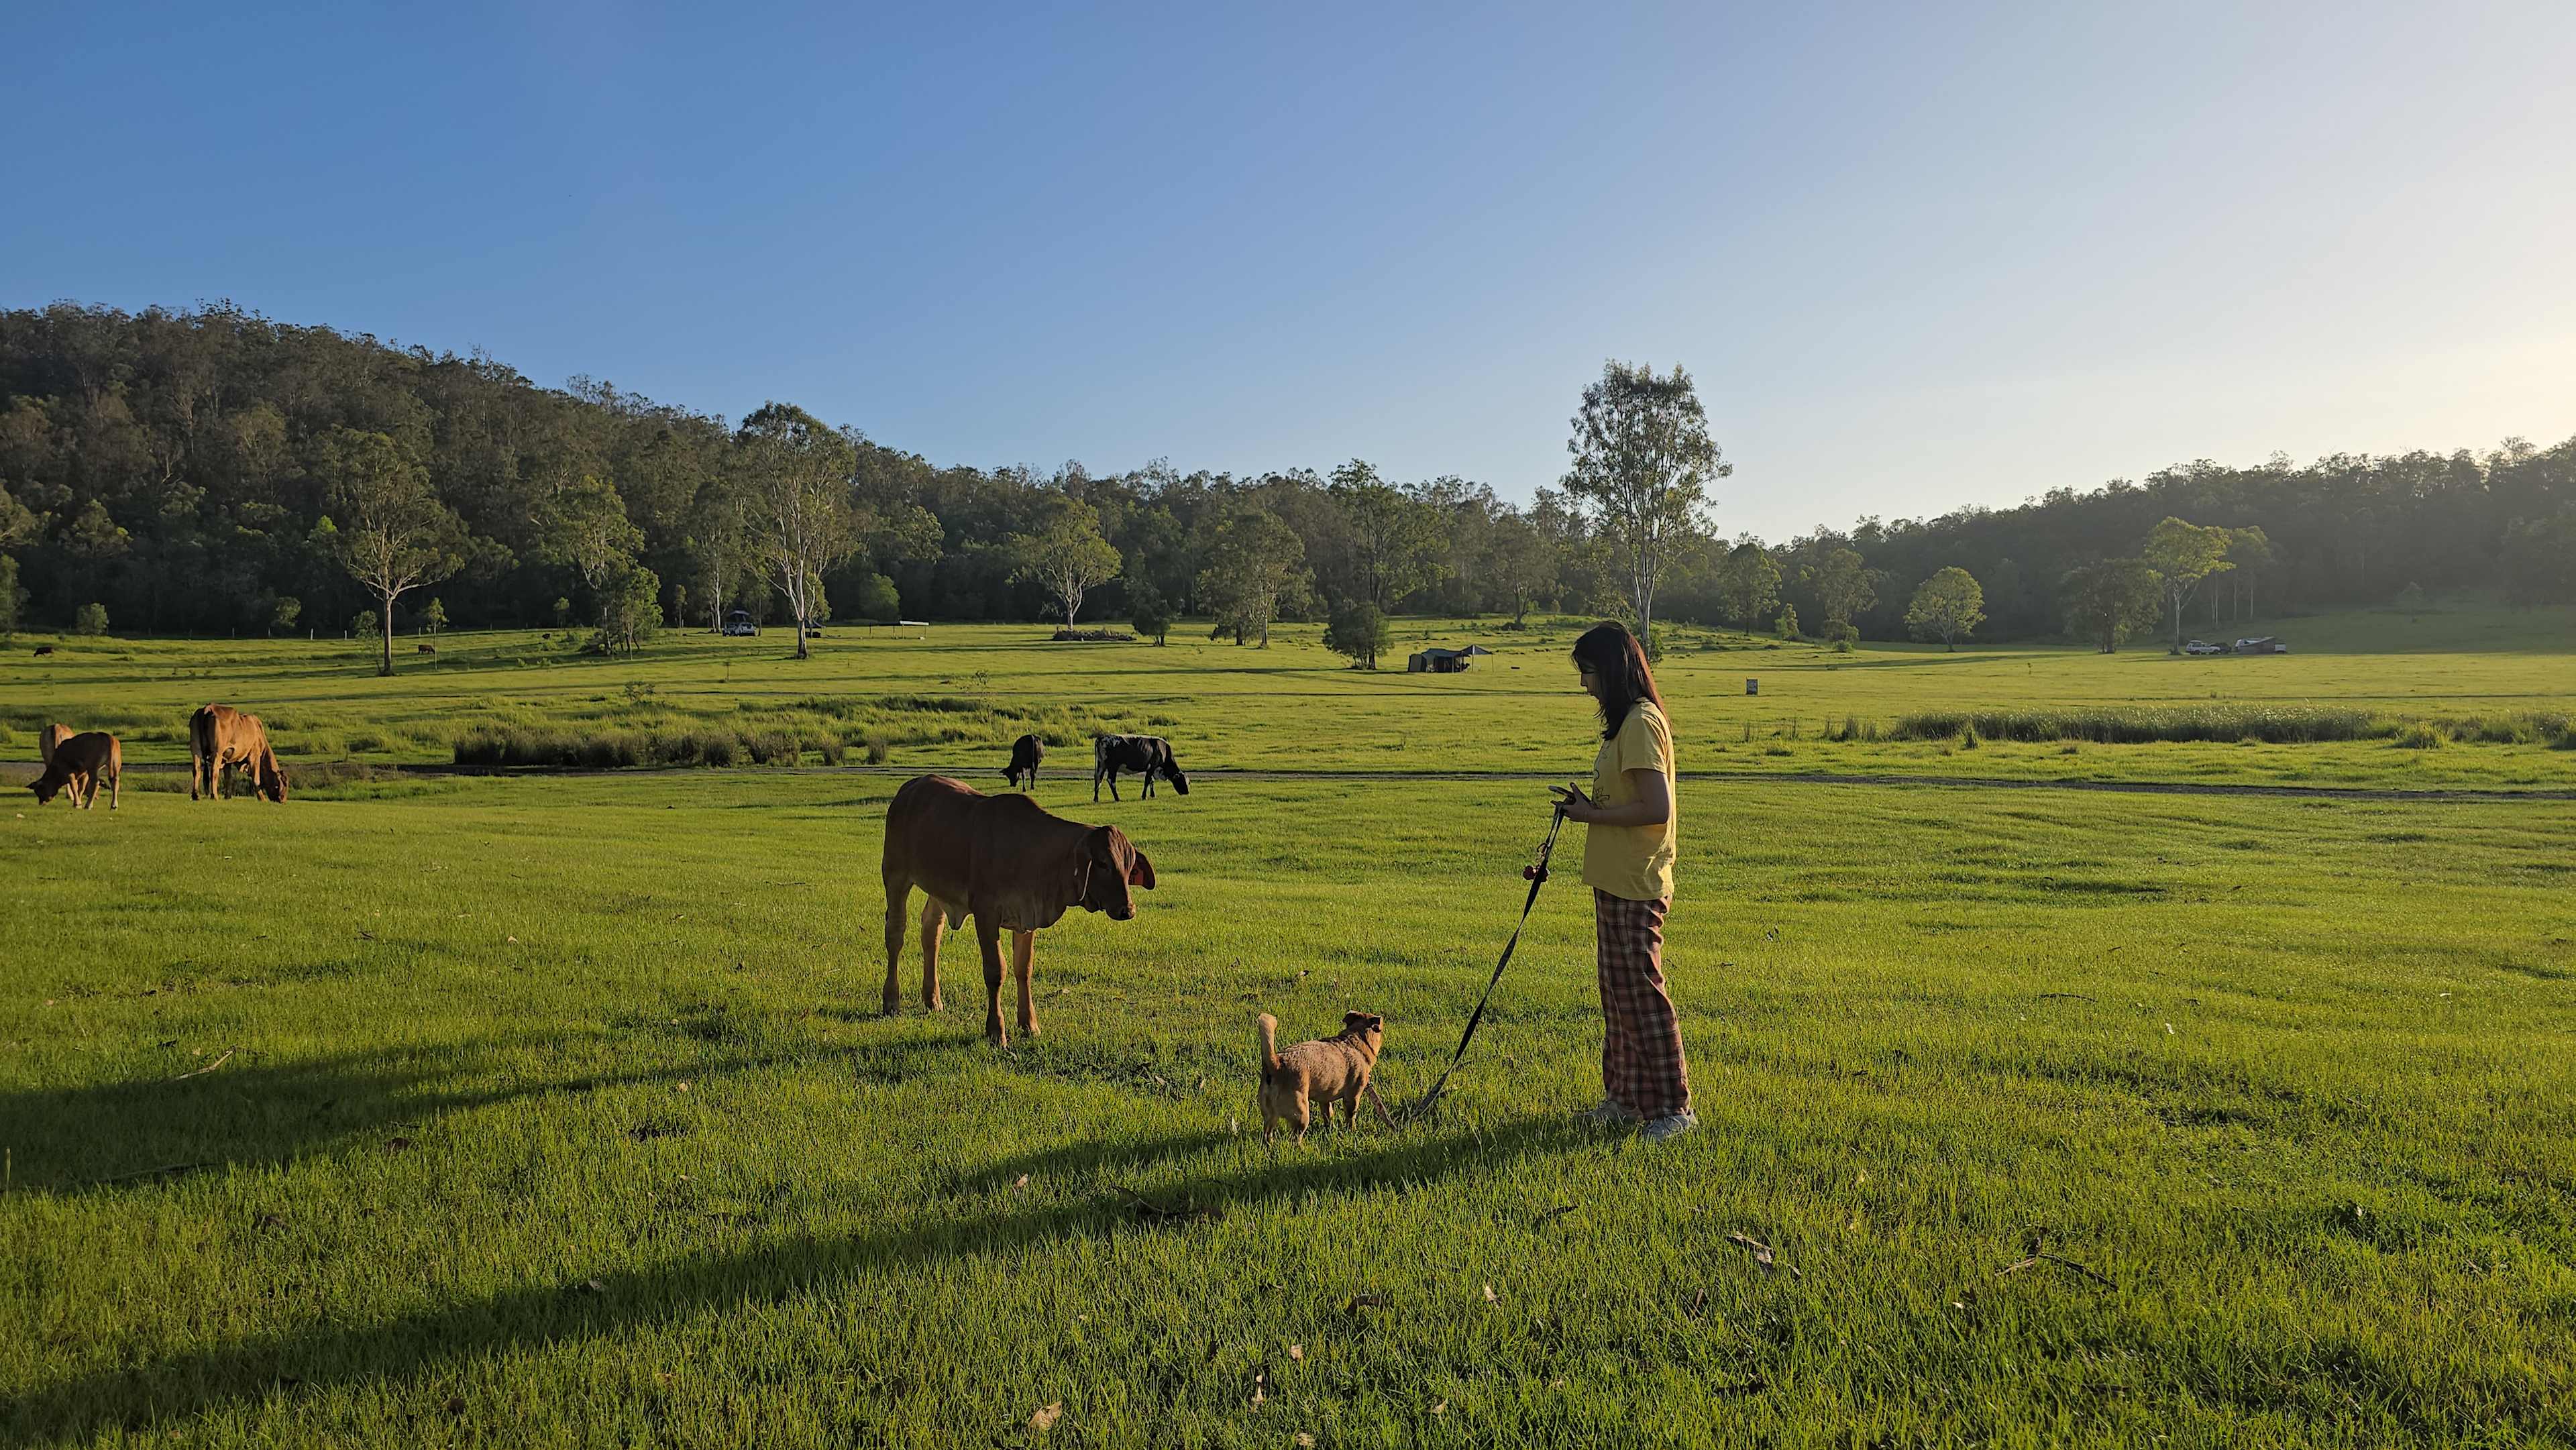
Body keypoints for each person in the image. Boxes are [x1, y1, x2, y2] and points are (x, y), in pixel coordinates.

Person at [1550, 622, 1695, 1142]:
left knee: (1643, 997)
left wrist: (1590, 816)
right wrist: (1585, 809)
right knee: (1616, 995)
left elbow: (1656, 808)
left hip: (1638, 882)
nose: (1584, 684)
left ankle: (1674, 1109)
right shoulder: (1625, 724)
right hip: (1613, 880)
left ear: (1611, 670)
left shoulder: (1641, 723)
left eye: (1588, 672)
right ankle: (1626, 1101)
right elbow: (1627, 799)